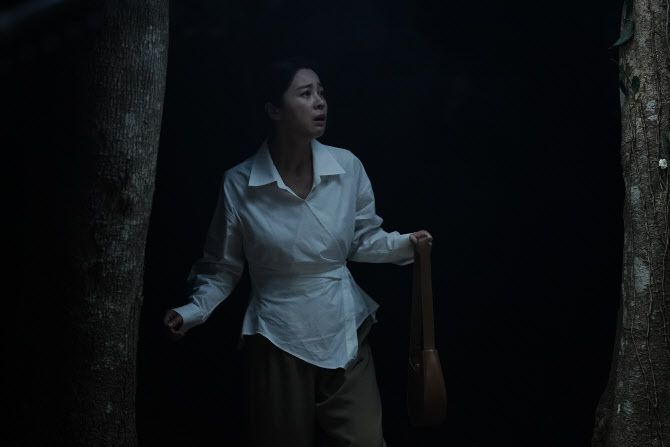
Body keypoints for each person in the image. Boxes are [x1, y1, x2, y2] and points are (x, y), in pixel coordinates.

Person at [163, 57, 433, 447]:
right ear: (274, 109)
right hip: (277, 334)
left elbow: (360, 240)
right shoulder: (240, 182)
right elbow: (222, 267)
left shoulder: (346, 166)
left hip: (344, 323)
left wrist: (406, 245)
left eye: (321, 92)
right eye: (305, 94)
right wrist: (191, 312)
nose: (319, 102)